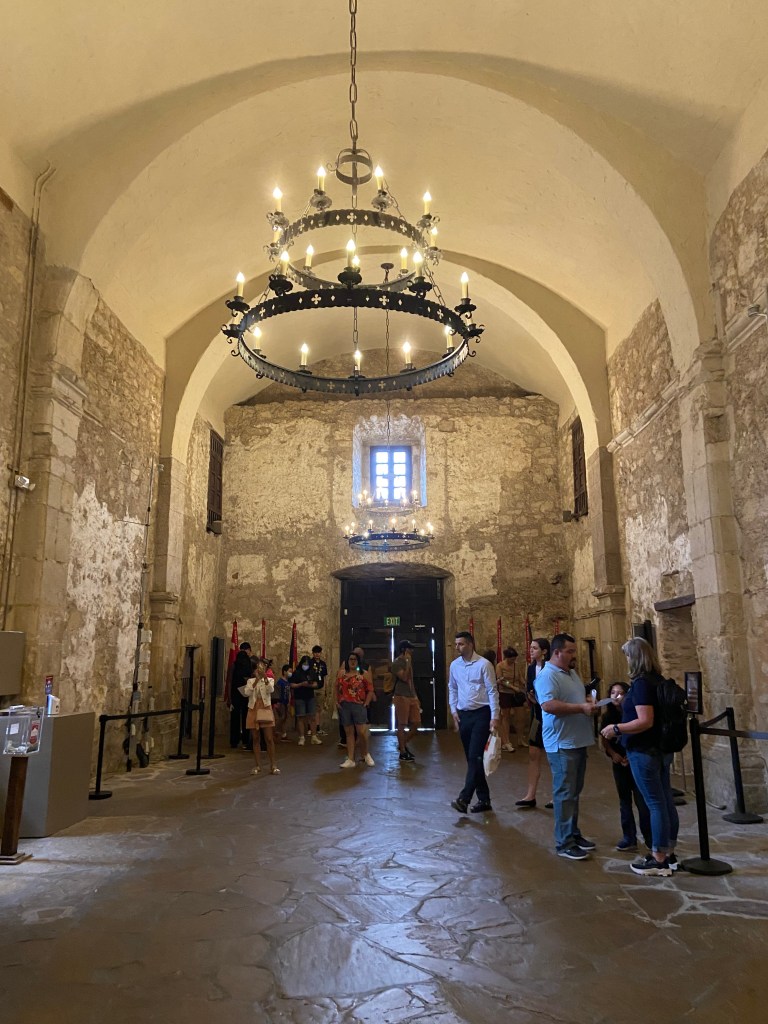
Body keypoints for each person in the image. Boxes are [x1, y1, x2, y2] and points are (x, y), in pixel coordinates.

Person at [600, 637, 680, 876]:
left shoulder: (643, 684)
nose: (626, 660)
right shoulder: (658, 680)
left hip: (644, 751)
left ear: (635, 658)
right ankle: (668, 853)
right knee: (664, 800)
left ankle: (658, 859)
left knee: (655, 803)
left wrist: (616, 728)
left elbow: (645, 720)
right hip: (659, 749)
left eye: (627, 655)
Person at [535, 632, 598, 860]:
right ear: (556, 652)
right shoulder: (547, 675)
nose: (574, 655)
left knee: (574, 791)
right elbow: (549, 705)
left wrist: (589, 703)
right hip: (561, 743)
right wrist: (581, 708)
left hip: (578, 740)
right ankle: (564, 843)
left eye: (574, 651)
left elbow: (575, 699)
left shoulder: (571, 673)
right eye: (570, 651)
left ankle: (573, 832)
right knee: (564, 793)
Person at [448, 631, 499, 814]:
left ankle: (464, 799)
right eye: (456, 644)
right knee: (473, 759)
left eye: (461, 644)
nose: (457, 647)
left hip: (482, 714)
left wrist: (495, 716)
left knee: (475, 756)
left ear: (470, 644)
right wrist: (453, 710)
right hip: (464, 715)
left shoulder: (484, 665)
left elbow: (492, 690)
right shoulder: (455, 665)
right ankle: (484, 799)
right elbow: (452, 688)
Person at [600, 682, 652, 852]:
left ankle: (650, 837)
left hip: (634, 759)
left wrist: (631, 756)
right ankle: (629, 837)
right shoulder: (608, 717)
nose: (616, 696)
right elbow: (605, 739)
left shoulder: (634, 714)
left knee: (642, 800)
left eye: (620, 692)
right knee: (624, 800)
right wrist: (613, 754)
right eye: (613, 692)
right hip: (619, 762)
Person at [516, 637, 553, 809]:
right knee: (533, 754)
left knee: (553, 757)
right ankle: (530, 795)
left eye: (535, 648)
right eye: (530, 647)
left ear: (544, 651)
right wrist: (530, 697)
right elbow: (530, 688)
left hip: (551, 717)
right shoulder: (531, 668)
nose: (531, 650)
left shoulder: (551, 668)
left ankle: (556, 795)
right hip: (537, 716)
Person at [336, 651, 375, 768]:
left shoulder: (364, 674)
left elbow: (370, 689)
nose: (352, 662)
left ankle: (366, 753)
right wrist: (336, 701)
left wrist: (366, 702)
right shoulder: (342, 673)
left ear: (358, 661)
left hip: (359, 704)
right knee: (349, 732)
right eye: (350, 659)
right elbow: (336, 687)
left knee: (361, 732)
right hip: (345, 705)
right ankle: (351, 759)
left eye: (355, 659)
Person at [242, 658, 280, 775]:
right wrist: (256, 680)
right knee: (255, 738)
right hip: (253, 708)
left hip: (265, 708)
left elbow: (270, 690)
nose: (260, 670)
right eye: (258, 668)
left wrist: (264, 678)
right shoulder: (250, 681)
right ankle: (257, 765)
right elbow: (246, 693)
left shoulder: (269, 679)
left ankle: (273, 765)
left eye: (262, 668)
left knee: (269, 738)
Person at [392, 640, 420, 761]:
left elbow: (410, 681)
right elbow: (403, 677)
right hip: (401, 696)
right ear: (403, 650)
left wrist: (415, 696)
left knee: (416, 722)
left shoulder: (409, 662)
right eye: (409, 648)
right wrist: (408, 663)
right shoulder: (397, 663)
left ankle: (402, 744)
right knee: (402, 724)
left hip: (411, 696)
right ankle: (403, 752)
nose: (412, 651)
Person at [496, 646, 526, 752]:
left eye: (514, 659)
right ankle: (506, 741)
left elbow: (520, 677)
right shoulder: (500, 666)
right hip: (505, 693)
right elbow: (501, 680)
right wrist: (512, 687)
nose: (513, 661)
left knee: (520, 717)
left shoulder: (516, 666)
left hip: (517, 694)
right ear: (506, 657)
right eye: (511, 659)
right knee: (506, 717)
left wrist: (525, 684)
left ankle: (520, 739)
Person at [289, 654, 322, 745]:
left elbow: (316, 684)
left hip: (310, 697)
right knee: (301, 717)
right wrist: (301, 684)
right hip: (299, 697)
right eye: (304, 664)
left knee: (312, 717)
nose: (305, 666)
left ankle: (314, 736)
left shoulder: (312, 672)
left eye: (307, 664)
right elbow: (291, 685)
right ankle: (301, 737)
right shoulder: (296, 673)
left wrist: (309, 685)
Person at [228, 642, 254, 750]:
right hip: (246, 694)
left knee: (235, 718)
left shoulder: (234, 665)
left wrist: (229, 697)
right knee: (246, 717)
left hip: (235, 694)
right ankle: (245, 740)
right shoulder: (249, 665)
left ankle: (234, 741)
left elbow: (230, 681)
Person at [309, 645, 328, 739]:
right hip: (311, 688)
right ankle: (310, 728)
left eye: (319, 652)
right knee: (311, 708)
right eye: (315, 652)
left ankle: (317, 727)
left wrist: (326, 688)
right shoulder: (309, 663)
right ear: (313, 653)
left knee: (319, 708)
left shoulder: (323, 664)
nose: (317, 654)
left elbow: (324, 677)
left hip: (320, 688)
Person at [273, 663, 292, 741]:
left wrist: (289, 701)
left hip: (285, 702)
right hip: (280, 702)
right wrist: (278, 702)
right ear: (284, 672)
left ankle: (284, 734)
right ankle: (275, 731)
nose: (290, 673)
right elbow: (277, 692)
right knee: (281, 718)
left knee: (284, 718)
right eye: (289, 671)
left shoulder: (287, 682)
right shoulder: (280, 682)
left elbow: (288, 692)